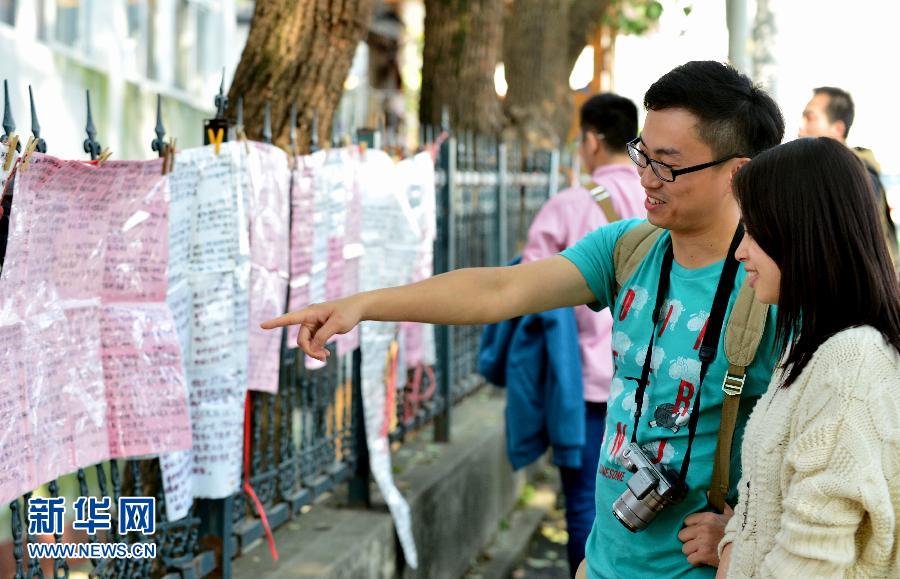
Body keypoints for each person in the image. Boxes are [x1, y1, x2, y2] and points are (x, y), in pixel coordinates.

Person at [262, 61, 785, 578]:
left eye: (666, 164)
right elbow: (499, 289)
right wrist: (362, 305)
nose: (644, 177)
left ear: (736, 171)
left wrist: (747, 533)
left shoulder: (776, 285)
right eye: (641, 155)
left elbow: (824, 459)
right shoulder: (628, 248)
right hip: (605, 564)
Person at [716, 137, 900, 577]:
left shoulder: (850, 362)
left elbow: (810, 563)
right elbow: (761, 501)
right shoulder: (815, 345)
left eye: (753, 231)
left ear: (800, 232)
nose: (741, 250)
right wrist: (731, 547)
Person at [506, 92, 646, 576]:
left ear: (590, 140)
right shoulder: (660, 201)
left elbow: (524, 291)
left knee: (586, 504)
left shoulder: (569, 206)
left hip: (586, 382)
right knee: (652, 508)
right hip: (655, 385)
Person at [798, 86, 898, 262]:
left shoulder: (857, 175)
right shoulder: (816, 174)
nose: (801, 126)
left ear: (838, 129)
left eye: (810, 118)